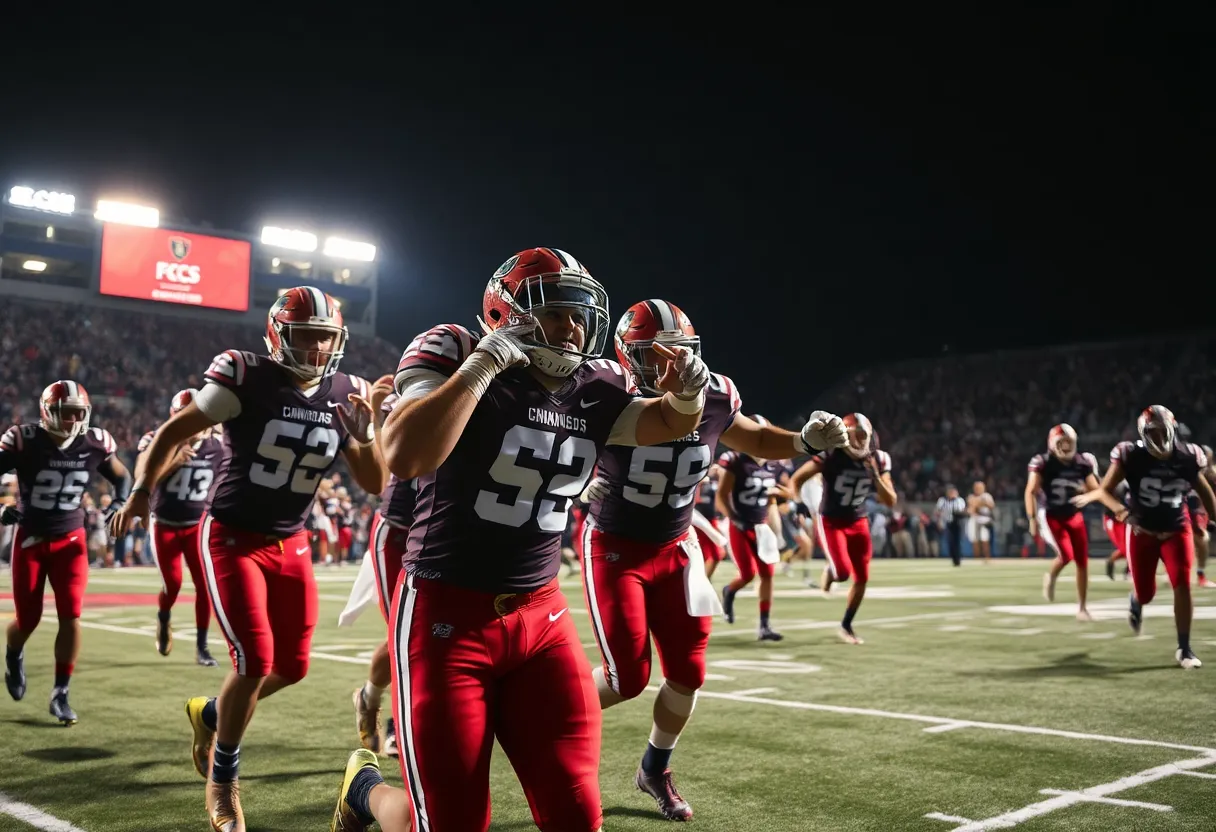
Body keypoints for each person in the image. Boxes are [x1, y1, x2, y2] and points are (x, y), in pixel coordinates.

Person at [330, 248, 711, 832]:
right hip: (447, 612)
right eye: (558, 312)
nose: (575, 327)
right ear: (506, 312)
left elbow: (669, 423)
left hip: (541, 616)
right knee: (448, 821)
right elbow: (403, 456)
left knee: (576, 816)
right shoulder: (452, 349)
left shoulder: (598, 384)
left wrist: (686, 394)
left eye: (581, 314)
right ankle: (366, 791)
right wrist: (483, 366)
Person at [109, 286, 388, 832]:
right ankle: (223, 779)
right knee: (254, 662)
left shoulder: (346, 391)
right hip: (233, 537)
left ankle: (210, 713)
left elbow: (376, 481)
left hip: (293, 540)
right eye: (305, 337)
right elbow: (173, 431)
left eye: (325, 339)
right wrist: (141, 489)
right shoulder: (244, 374)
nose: (314, 350)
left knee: (294, 666)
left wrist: (364, 440)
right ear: (278, 334)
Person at [577, 299, 846, 819]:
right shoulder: (608, 394)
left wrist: (804, 441)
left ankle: (654, 768)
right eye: (656, 354)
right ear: (628, 356)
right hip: (616, 547)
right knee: (624, 677)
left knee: (688, 672)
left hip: (676, 546)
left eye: (679, 352)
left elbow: (752, 438)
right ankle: (541, 718)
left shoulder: (717, 393)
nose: (671, 364)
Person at [2, 380, 132, 724]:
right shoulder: (24, 440)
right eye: (67, 413)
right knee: (26, 620)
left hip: (71, 541)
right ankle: (13, 653)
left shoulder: (95, 443)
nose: (74, 420)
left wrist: (120, 502)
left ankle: (61, 693)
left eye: (79, 413)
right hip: (31, 538)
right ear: (47, 412)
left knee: (71, 615)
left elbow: (121, 476)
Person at [1073, 405, 1215, 669]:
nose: (1159, 438)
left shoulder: (1187, 455)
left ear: (1172, 430)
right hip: (1142, 531)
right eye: (1153, 433)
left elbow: (1206, 493)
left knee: (1182, 584)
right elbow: (1104, 491)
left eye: (1163, 432)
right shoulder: (1131, 454)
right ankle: (1136, 599)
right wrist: (1120, 511)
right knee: (1146, 592)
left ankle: (1184, 648)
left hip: (1176, 528)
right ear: (1143, 434)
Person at [137, 388, 226, 664]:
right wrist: (173, 462)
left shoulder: (218, 445)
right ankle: (164, 618)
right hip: (165, 524)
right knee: (173, 585)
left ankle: (202, 647)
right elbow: (141, 479)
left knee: (205, 586)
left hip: (198, 527)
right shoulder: (158, 440)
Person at [790, 413, 897, 644]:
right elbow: (797, 479)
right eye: (853, 436)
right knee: (842, 573)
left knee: (862, 577)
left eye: (862, 436)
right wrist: (798, 503)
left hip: (858, 520)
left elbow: (890, 500)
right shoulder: (831, 455)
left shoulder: (878, 460)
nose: (858, 441)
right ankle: (832, 571)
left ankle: (846, 625)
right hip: (831, 520)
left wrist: (875, 476)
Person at [1025, 423, 1100, 621]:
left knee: (1082, 561)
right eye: (1062, 442)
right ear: (1052, 443)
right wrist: (1032, 519)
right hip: (1050, 514)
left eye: (1069, 442)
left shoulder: (1082, 463)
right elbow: (1031, 491)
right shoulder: (1043, 462)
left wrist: (1086, 491)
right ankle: (1051, 576)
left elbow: (1095, 490)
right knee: (1067, 555)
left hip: (1073, 515)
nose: (1066, 446)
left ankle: (1082, 607)